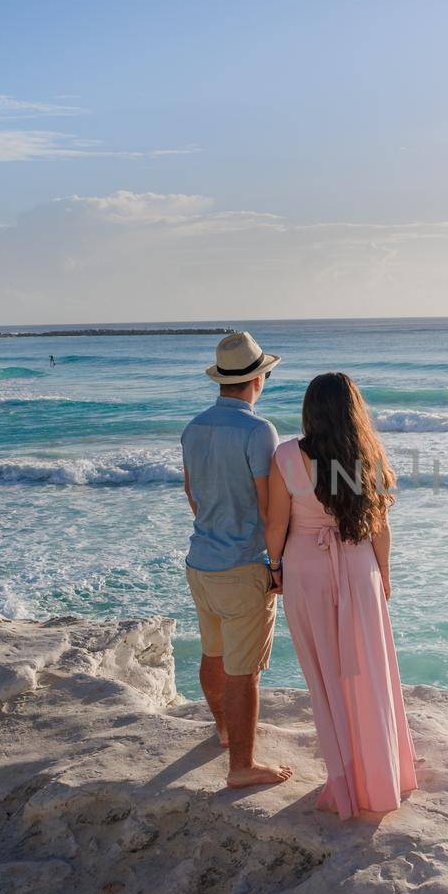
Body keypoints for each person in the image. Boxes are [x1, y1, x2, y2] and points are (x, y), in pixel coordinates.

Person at [265, 373, 416, 818]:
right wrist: (383, 574)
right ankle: (385, 773)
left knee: (326, 675)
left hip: (306, 570)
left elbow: (276, 524)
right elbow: (380, 526)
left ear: (309, 410)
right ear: (355, 411)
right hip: (359, 566)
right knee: (370, 669)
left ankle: (345, 779)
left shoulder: (287, 455)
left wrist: (273, 569)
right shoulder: (366, 456)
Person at [181, 330, 293, 789]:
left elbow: (191, 491)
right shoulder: (258, 430)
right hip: (242, 564)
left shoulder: (194, 427)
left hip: (201, 560)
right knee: (243, 673)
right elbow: (269, 507)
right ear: (258, 378)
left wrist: (214, 528)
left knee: (214, 653)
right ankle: (242, 767)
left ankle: (225, 730)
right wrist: (278, 563)